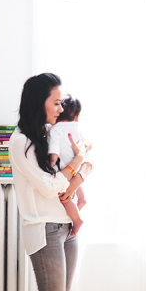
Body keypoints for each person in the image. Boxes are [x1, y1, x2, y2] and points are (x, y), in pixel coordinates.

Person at [0, 73, 92, 291]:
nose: (61, 107)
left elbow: (87, 164)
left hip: (67, 225)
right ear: (39, 102)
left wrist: (77, 166)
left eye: (61, 102)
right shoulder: (22, 142)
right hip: (43, 227)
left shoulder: (54, 133)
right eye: (56, 102)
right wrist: (75, 163)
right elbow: (49, 186)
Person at [48, 94, 87, 236]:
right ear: (77, 116)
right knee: (77, 182)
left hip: (66, 167)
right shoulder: (78, 128)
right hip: (78, 165)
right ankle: (82, 199)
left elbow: (54, 148)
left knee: (64, 197)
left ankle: (77, 220)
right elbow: (86, 145)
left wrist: (52, 161)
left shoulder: (55, 129)